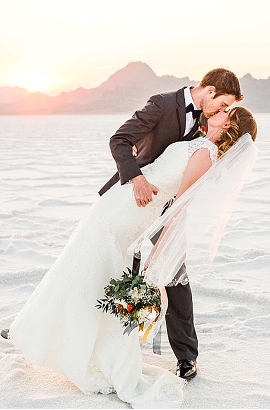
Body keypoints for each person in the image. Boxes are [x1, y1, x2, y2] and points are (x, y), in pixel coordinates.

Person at [3, 105, 257, 408]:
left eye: (226, 111)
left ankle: (75, 344)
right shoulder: (199, 141)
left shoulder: (205, 154)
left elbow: (178, 207)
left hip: (130, 214)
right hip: (120, 203)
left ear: (229, 126)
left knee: (93, 270)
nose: (218, 109)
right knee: (83, 267)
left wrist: (160, 252)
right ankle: (51, 331)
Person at [99, 68, 243, 382]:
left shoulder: (211, 120)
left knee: (174, 272)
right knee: (100, 258)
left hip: (170, 206)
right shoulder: (163, 104)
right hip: (135, 198)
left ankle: (186, 357)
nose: (222, 112)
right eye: (222, 105)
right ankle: (48, 324)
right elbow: (120, 140)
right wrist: (136, 179)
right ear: (209, 91)